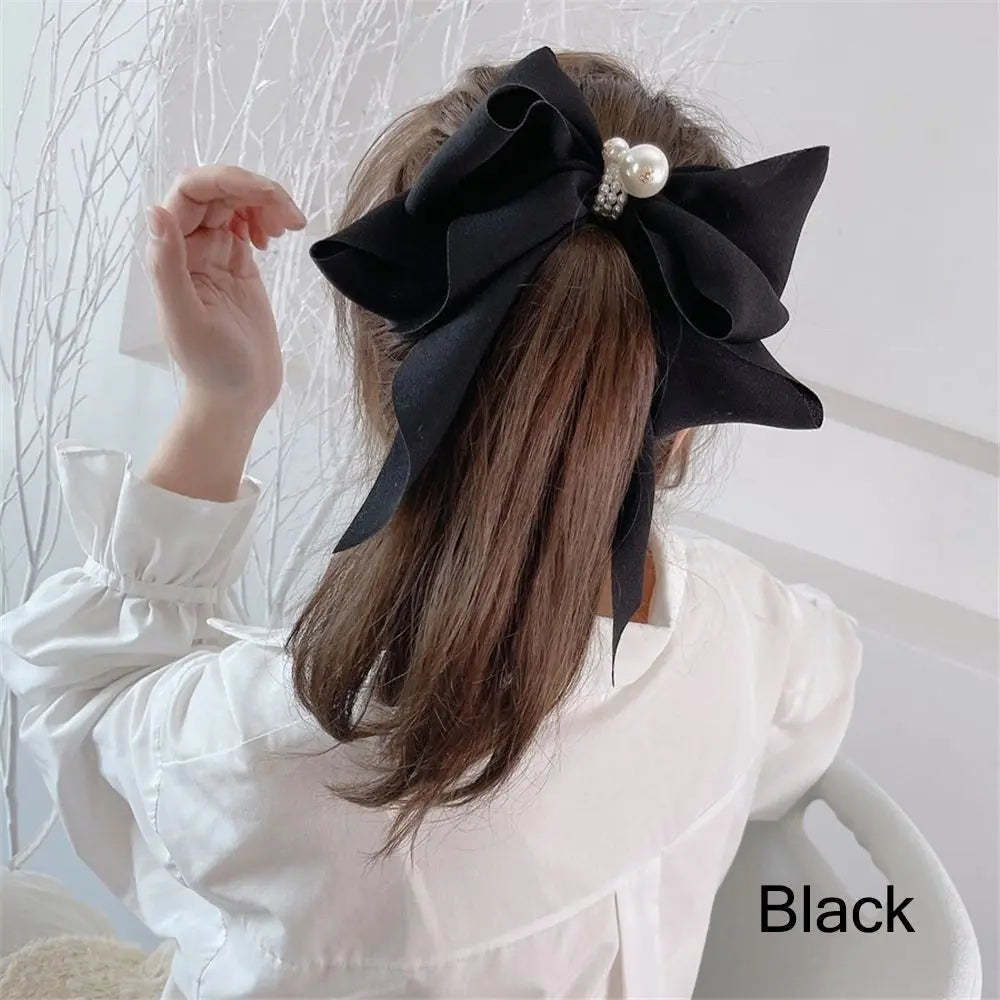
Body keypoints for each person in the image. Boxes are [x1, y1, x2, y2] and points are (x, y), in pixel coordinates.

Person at [0, 47, 862, 999]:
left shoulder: (279, 747)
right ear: (686, 415)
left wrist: (221, 404)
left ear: (386, 375)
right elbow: (798, 747)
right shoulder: (756, 632)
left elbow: (80, 702)